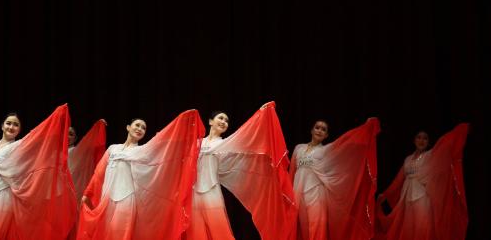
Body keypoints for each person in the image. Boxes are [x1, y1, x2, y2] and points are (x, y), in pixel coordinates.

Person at [77, 110, 204, 240]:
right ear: (128, 127)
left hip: (126, 198)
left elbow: (165, 145)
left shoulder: (141, 151)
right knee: (105, 232)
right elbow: (98, 174)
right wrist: (88, 193)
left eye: (143, 128)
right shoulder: (112, 149)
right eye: (137, 125)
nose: (140, 129)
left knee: (120, 233)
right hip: (107, 198)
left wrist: (184, 122)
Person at [184, 101, 297, 240]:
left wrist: (261, 114)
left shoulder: (224, 144)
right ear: (210, 121)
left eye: (226, 120)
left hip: (211, 191)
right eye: (220, 118)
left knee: (219, 231)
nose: (224, 121)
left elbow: (247, 134)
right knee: (196, 234)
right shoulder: (197, 143)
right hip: (194, 191)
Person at [0, 105, 76, 240]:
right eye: (8, 123)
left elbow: (39, 136)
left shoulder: (18, 147)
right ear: (2, 126)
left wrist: (57, 117)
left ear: (19, 130)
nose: (11, 127)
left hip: (2, 197)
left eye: (15, 125)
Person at [290, 117, 380, 240]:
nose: (319, 131)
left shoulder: (325, 150)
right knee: (302, 227)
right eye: (317, 127)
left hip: (316, 193)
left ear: (326, 135)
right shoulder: (298, 148)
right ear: (311, 130)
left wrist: (366, 128)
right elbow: (292, 172)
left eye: (323, 129)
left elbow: (347, 143)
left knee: (316, 226)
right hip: (298, 193)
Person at [375, 124, 469, 240]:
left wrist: (457, 133)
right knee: (408, 227)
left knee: (422, 227)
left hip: (423, 198)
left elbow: (445, 148)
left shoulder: (430, 156)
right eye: (419, 137)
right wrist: (385, 194)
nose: (421, 140)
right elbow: (398, 180)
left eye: (425, 138)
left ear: (428, 142)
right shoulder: (408, 159)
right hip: (407, 198)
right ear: (414, 140)